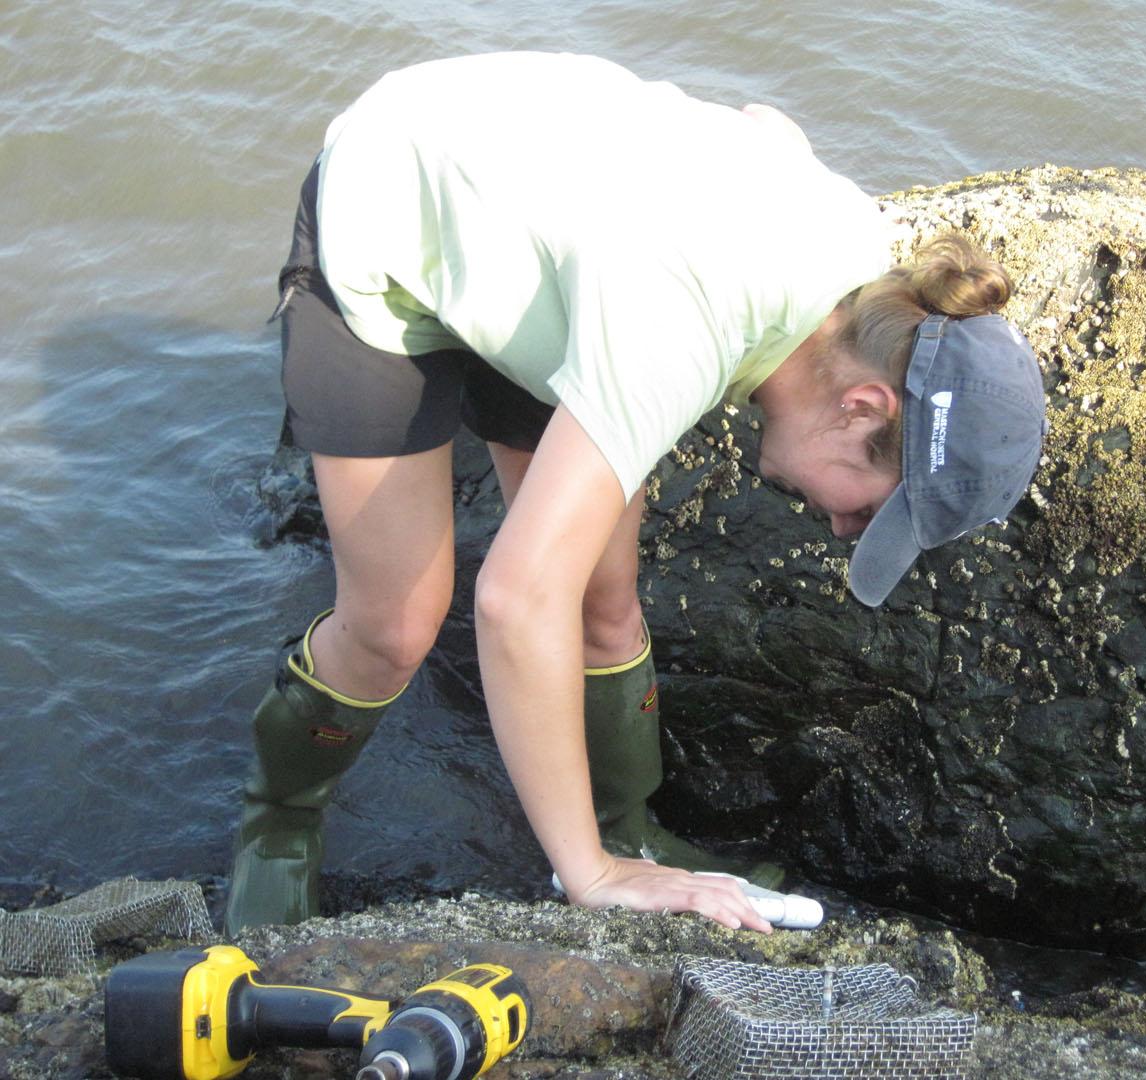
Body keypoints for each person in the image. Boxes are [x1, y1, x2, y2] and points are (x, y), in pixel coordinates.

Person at [224, 52, 1046, 937]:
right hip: (392, 210)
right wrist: (589, 878)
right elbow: (512, 599)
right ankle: (278, 825)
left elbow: (768, 122)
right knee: (398, 624)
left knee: (604, 600)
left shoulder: (856, 266)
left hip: (546, 269)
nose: (848, 527)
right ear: (860, 406)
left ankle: (631, 830)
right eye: (872, 503)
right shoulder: (678, 333)